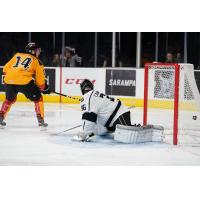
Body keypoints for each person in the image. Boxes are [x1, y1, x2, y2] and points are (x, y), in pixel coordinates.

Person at [73, 79, 164, 143]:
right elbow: (94, 118)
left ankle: (151, 132)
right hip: (117, 117)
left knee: (129, 136)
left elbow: (89, 117)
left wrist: (85, 133)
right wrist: (91, 132)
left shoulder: (86, 97)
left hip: (118, 116)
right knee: (98, 131)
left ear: (82, 89)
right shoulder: (94, 95)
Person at [0, 42, 50, 128]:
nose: (38, 52)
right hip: (24, 82)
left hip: (9, 81)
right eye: (37, 50)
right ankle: (40, 119)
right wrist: (44, 88)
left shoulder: (17, 55)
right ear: (33, 51)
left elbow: (5, 69)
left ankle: (0, 117)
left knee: (9, 100)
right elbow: (40, 80)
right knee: (38, 99)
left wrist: (14, 74)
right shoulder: (36, 60)